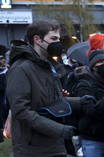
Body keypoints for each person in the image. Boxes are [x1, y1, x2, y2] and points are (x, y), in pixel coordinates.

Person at [6, 21, 76, 157]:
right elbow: (21, 111)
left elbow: (53, 101)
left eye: (59, 39)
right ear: (37, 39)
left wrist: (81, 102)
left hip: (54, 144)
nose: (58, 43)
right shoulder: (21, 68)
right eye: (53, 39)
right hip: (34, 148)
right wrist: (58, 129)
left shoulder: (47, 65)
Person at [75, 50, 104, 157]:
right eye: (100, 62)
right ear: (93, 66)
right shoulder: (84, 84)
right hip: (93, 139)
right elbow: (91, 110)